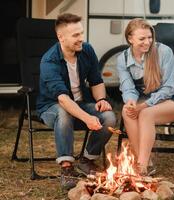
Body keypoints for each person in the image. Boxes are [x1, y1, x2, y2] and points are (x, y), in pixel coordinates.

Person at [36, 13, 116, 189]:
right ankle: (66, 168)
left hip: (81, 102)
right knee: (63, 112)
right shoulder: (49, 61)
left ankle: (86, 160)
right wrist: (87, 118)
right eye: (75, 35)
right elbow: (63, 100)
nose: (81, 38)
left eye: (81, 33)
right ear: (61, 37)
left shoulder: (86, 50)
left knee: (109, 117)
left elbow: (96, 81)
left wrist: (101, 99)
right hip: (51, 107)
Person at [116, 18, 174, 175]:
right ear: (130, 38)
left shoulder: (163, 52)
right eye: (142, 38)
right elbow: (128, 87)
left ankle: (140, 167)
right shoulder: (122, 59)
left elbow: (169, 88)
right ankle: (146, 163)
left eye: (149, 37)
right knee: (126, 112)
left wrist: (143, 105)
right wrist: (130, 102)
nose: (147, 42)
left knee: (146, 114)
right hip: (149, 97)